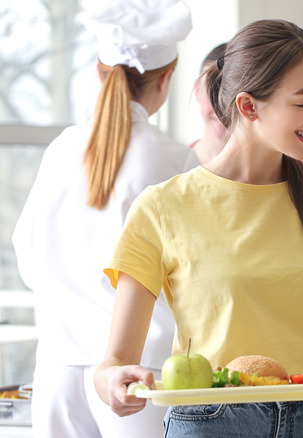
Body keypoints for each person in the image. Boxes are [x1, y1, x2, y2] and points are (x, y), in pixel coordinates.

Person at [93, 19, 303, 437]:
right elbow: (112, 363)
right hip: (212, 421)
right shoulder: (162, 206)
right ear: (248, 106)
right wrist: (115, 384)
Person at [11, 1, 194, 437]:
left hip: (58, 364)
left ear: (98, 72)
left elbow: (28, 252)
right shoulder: (176, 159)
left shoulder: (61, 149)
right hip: (139, 370)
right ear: (166, 79)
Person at [190, 43, 228, 164]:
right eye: (212, 91)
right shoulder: (175, 166)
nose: (222, 107)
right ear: (197, 90)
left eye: (231, 94)